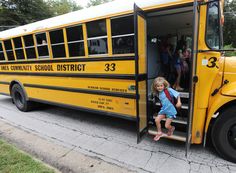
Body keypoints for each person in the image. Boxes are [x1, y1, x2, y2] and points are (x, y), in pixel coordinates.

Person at [152, 77, 182, 141]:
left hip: (170, 111)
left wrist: (179, 102)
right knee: (157, 120)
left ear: (164, 85)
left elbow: (178, 94)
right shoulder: (158, 93)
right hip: (164, 110)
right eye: (158, 86)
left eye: (161, 86)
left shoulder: (168, 90)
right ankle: (159, 132)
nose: (159, 87)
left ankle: (171, 128)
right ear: (155, 87)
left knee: (166, 126)